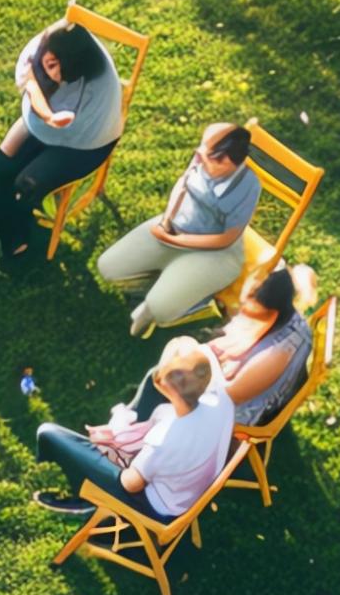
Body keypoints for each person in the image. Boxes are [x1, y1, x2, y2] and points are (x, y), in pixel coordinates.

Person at [29, 337, 235, 520]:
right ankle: (108, 446)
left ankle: (84, 498)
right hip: (190, 490)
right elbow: (198, 352)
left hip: (155, 507)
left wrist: (119, 453)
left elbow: (129, 484)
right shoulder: (223, 398)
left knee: (48, 433)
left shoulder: (162, 438)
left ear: (163, 385)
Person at [0, 19, 122, 255]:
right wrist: (48, 116)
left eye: (62, 73)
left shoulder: (96, 87)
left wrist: (48, 119)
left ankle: (17, 236)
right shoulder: (44, 46)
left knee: (27, 185)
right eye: (51, 65)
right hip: (44, 123)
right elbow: (30, 83)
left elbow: (69, 131)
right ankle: (1, 210)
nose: (53, 75)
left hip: (86, 142)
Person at [98, 122, 261, 334]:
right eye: (202, 153)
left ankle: (175, 304)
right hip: (175, 228)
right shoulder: (204, 158)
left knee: (160, 308)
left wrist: (174, 241)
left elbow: (226, 239)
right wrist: (166, 222)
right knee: (108, 267)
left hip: (216, 252)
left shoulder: (248, 187)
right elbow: (182, 185)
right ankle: (168, 282)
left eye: (212, 159)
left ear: (231, 162)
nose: (201, 160)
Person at [200, 263, 321, 426]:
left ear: (272, 314)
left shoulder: (278, 353)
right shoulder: (276, 310)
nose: (243, 310)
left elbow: (231, 396)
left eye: (250, 309)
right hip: (234, 388)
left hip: (236, 416)